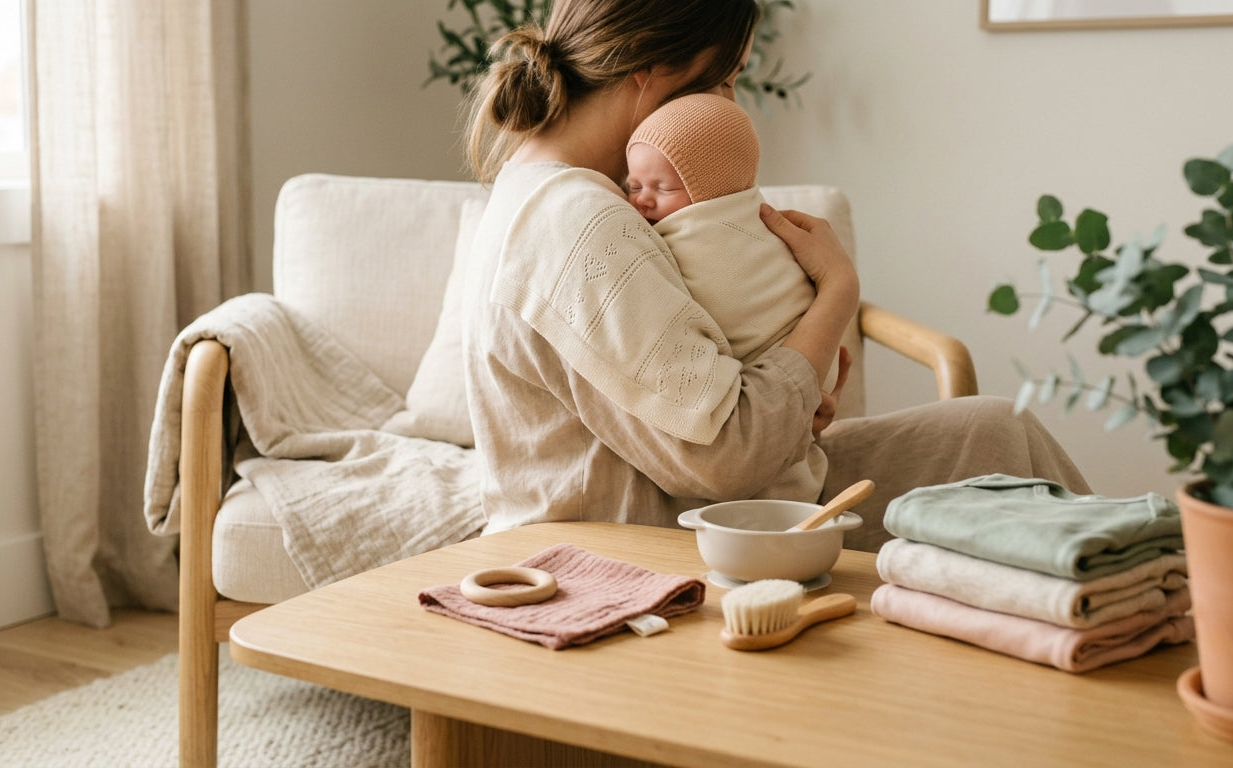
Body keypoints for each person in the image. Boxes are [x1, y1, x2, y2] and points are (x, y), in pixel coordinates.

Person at [460, 0, 1089, 551]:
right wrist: (836, 293)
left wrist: (791, 397)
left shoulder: (553, 192)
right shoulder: (577, 223)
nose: (727, 105)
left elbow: (692, 391)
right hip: (650, 551)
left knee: (995, 431)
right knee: (1009, 472)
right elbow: (726, 456)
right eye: (724, 80)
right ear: (647, 70)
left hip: (706, 508)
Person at [625, 92, 833, 387]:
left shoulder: (716, 230)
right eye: (634, 186)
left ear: (712, 189)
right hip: (798, 375)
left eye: (663, 189)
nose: (642, 200)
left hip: (787, 359)